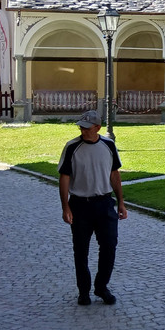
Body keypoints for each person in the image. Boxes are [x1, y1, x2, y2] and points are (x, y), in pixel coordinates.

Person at [58, 109, 127, 306]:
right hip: (80, 204)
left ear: (97, 127)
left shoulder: (108, 145)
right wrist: (65, 207)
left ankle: (101, 286)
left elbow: (115, 174)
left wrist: (121, 202)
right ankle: (84, 290)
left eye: (87, 127)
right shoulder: (72, 147)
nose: (83, 130)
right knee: (80, 250)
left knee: (109, 246)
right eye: (81, 126)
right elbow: (64, 178)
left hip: (105, 203)